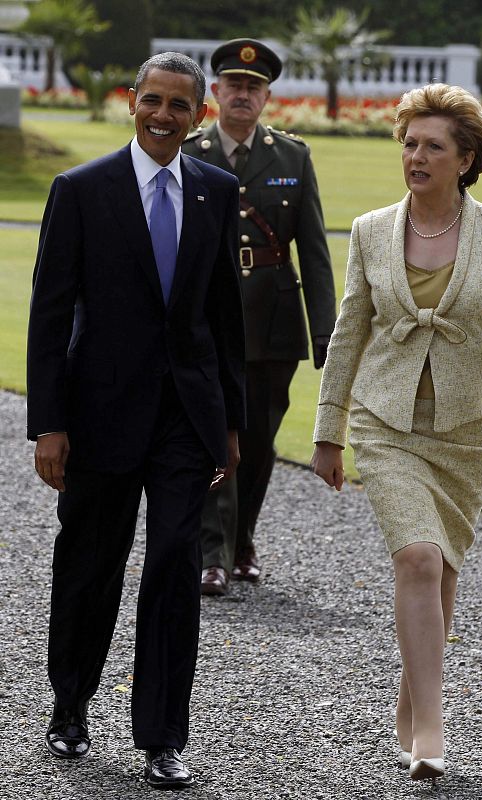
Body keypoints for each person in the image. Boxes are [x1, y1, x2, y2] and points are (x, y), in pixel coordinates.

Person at [311, 84, 482, 783]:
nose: (415, 155)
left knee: (440, 571)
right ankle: (433, 731)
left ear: (465, 158)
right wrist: (329, 430)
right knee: (415, 557)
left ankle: (411, 710)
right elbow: (348, 334)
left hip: (467, 432)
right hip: (385, 425)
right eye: (408, 143)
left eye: (431, 146)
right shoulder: (369, 229)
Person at [27, 52, 245, 790]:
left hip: (186, 419)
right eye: (151, 100)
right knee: (89, 565)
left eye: (178, 105)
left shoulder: (218, 190)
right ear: (132, 103)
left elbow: (224, 321)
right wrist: (48, 423)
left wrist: (232, 424)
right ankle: (69, 708)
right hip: (97, 416)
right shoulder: (81, 190)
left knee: (174, 568)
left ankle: (161, 737)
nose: (162, 115)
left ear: (198, 115)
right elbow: (50, 314)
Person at [183, 38, 336, 595]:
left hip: (272, 323)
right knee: (210, 436)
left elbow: (314, 252)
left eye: (253, 87)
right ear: (216, 91)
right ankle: (212, 552)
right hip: (203, 320)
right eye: (233, 85)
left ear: (267, 96)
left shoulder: (292, 157)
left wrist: (325, 332)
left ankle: (242, 537)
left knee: (260, 440)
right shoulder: (189, 150)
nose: (242, 94)